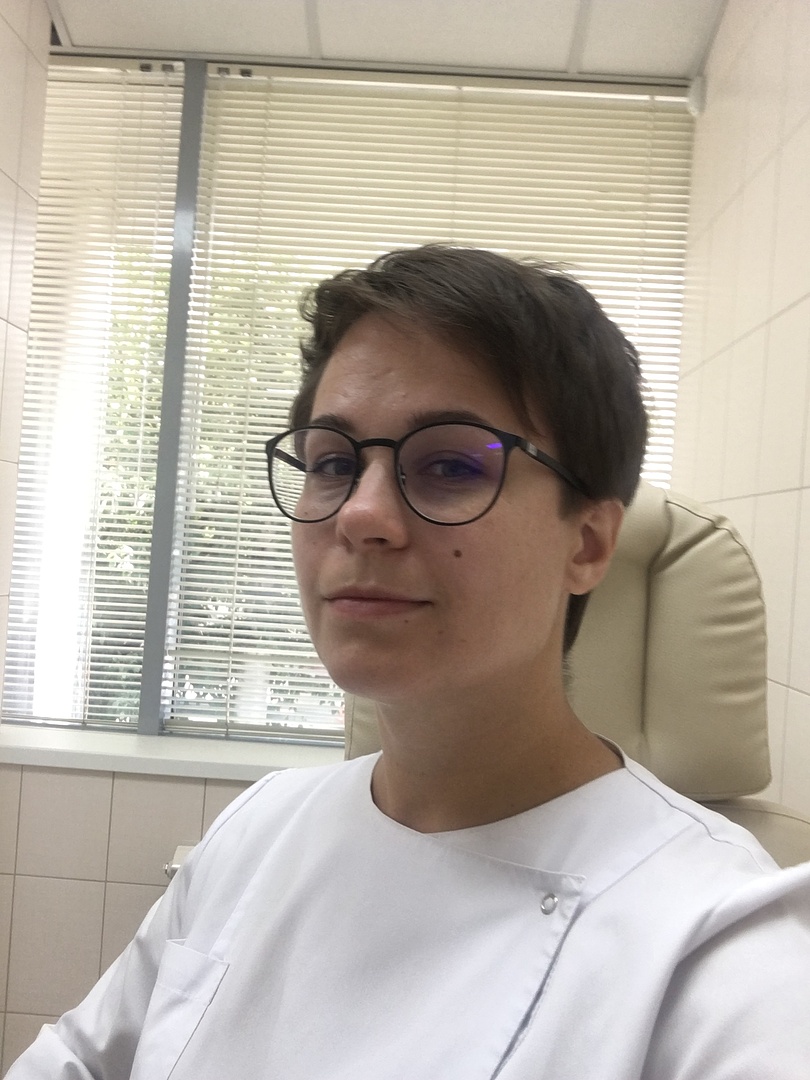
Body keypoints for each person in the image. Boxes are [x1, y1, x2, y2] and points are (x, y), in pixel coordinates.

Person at [8, 245, 810, 1079]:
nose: (360, 515)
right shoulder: (262, 826)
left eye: (452, 465)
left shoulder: (720, 947)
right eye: (332, 462)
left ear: (588, 543)